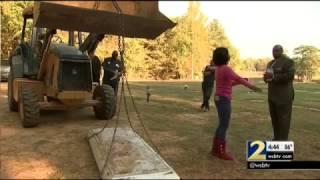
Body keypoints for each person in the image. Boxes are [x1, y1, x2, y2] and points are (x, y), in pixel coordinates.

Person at [209, 47, 262, 161]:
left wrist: (240, 83)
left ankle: (215, 149)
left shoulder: (218, 69)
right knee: (224, 125)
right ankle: (220, 151)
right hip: (223, 99)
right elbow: (239, 78)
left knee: (222, 124)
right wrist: (253, 87)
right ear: (225, 57)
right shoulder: (226, 69)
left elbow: (228, 83)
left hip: (218, 98)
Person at [263, 45, 295, 141]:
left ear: (281, 51)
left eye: (277, 51)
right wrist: (266, 78)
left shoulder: (288, 62)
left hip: (283, 97)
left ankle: (283, 140)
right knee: (275, 120)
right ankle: (276, 138)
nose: (274, 53)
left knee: (284, 121)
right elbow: (268, 77)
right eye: (273, 51)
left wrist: (273, 77)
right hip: (272, 96)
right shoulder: (270, 63)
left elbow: (289, 75)